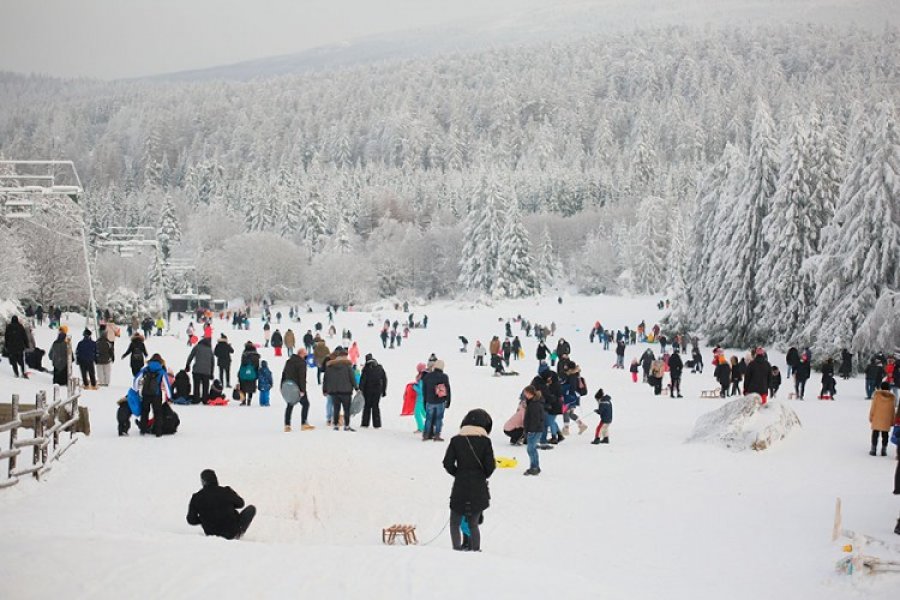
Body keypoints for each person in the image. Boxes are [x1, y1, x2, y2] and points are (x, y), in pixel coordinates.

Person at [442, 409, 495, 550]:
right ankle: (475, 550)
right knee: (473, 523)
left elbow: (447, 463)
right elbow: (491, 466)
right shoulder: (485, 442)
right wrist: (482, 475)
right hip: (478, 486)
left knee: (455, 522)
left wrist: (458, 473)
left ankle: (456, 549)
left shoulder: (456, 440)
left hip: (460, 485)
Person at [187, 469, 256, 540]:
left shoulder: (196, 497)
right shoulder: (226, 491)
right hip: (231, 532)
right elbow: (241, 503)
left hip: (211, 533)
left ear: (203, 481)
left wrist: (203, 519)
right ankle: (238, 534)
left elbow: (191, 520)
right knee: (251, 509)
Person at [323, 346, 357, 431]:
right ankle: (346, 425)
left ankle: (336, 425)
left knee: (336, 408)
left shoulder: (330, 366)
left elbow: (326, 379)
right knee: (346, 409)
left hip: (335, 392)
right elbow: (352, 378)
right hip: (346, 392)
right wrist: (356, 388)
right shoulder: (348, 367)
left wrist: (325, 389)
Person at [139, 354, 172, 437]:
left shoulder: (146, 369)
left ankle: (143, 429)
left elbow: (136, 379)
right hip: (156, 394)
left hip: (145, 393)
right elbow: (167, 385)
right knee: (157, 412)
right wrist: (170, 397)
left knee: (144, 411)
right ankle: (158, 431)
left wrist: (135, 389)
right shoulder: (161, 371)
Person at [282, 348, 313, 431]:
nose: (306, 355)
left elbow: (284, 374)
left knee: (290, 404)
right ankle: (304, 423)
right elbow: (302, 377)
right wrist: (302, 390)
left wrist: (282, 386)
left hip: (289, 386)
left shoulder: (289, 362)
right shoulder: (301, 363)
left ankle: (287, 425)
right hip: (298, 387)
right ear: (301, 354)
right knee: (306, 404)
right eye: (305, 354)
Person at [422, 360, 451, 441]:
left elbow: (424, 389)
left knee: (428, 419)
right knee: (439, 419)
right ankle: (437, 435)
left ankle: (426, 435)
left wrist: (425, 401)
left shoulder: (427, 376)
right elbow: (448, 389)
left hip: (429, 400)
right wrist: (448, 401)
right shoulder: (444, 376)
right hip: (440, 401)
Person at [359, 353, 388, 428]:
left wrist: (361, 389)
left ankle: (365, 423)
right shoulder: (379, 368)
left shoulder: (366, 369)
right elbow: (384, 379)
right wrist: (384, 390)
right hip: (377, 390)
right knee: (376, 406)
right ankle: (377, 423)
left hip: (367, 391)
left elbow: (363, 380)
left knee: (367, 407)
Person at [870, 382, 896, 456]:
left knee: (875, 434)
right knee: (885, 435)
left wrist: (871, 416)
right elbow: (892, 410)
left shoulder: (877, 396)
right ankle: (884, 450)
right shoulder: (892, 398)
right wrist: (892, 420)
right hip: (886, 419)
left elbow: (873, 407)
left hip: (877, 418)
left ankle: (873, 449)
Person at [522, 386, 544, 475]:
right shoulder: (531, 402)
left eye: (526, 393)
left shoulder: (534, 404)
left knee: (531, 449)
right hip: (533, 429)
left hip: (535, 430)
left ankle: (535, 467)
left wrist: (531, 430)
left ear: (530, 393)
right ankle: (534, 466)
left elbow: (535, 419)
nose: (524, 394)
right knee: (531, 449)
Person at [186, 336, 215, 404]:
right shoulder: (210, 349)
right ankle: (205, 399)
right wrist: (211, 372)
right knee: (205, 386)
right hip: (206, 371)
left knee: (196, 385)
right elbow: (212, 362)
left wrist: (187, 365)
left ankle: (196, 398)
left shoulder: (197, 347)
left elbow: (191, 356)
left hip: (197, 370)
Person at [238, 341, 260, 406]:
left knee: (243, 386)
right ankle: (249, 400)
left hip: (244, 373)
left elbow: (242, 363)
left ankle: (244, 400)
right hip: (253, 373)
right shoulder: (255, 354)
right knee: (251, 387)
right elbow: (257, 364)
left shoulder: (244, 353)